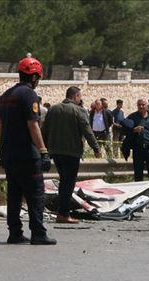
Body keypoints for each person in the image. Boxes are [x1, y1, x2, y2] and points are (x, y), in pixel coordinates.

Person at [0, 56, 55, 245]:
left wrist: (3, 149)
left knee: (14, 195)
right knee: (35, 195)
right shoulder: (29, 95)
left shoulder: (6, 95)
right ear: (35, 76)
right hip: (27, 156)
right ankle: (38, 233)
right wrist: (44, 151)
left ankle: (14, 233)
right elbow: (33, 125)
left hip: (9, 155)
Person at [42, 86, 102, 223]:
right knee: (68, 183)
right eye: (79, 97)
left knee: (64, 181)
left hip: (55, 152)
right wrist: (96, 148)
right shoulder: (78, 110)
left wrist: (43, 149)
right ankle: (63, 214)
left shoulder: (53, 109)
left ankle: (62, 211)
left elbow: (44, 130)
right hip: (71, 153)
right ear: (76, 96)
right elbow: (87, 130)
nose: (80, 99)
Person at [126, 98, 149, 204]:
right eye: (139, 105)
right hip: (138, 149)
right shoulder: (132, 117)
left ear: (147, 106)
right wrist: (134, 130)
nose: (141, 106)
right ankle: (138, 197)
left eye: (143, 105)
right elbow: (124, 130)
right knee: (138, 173)